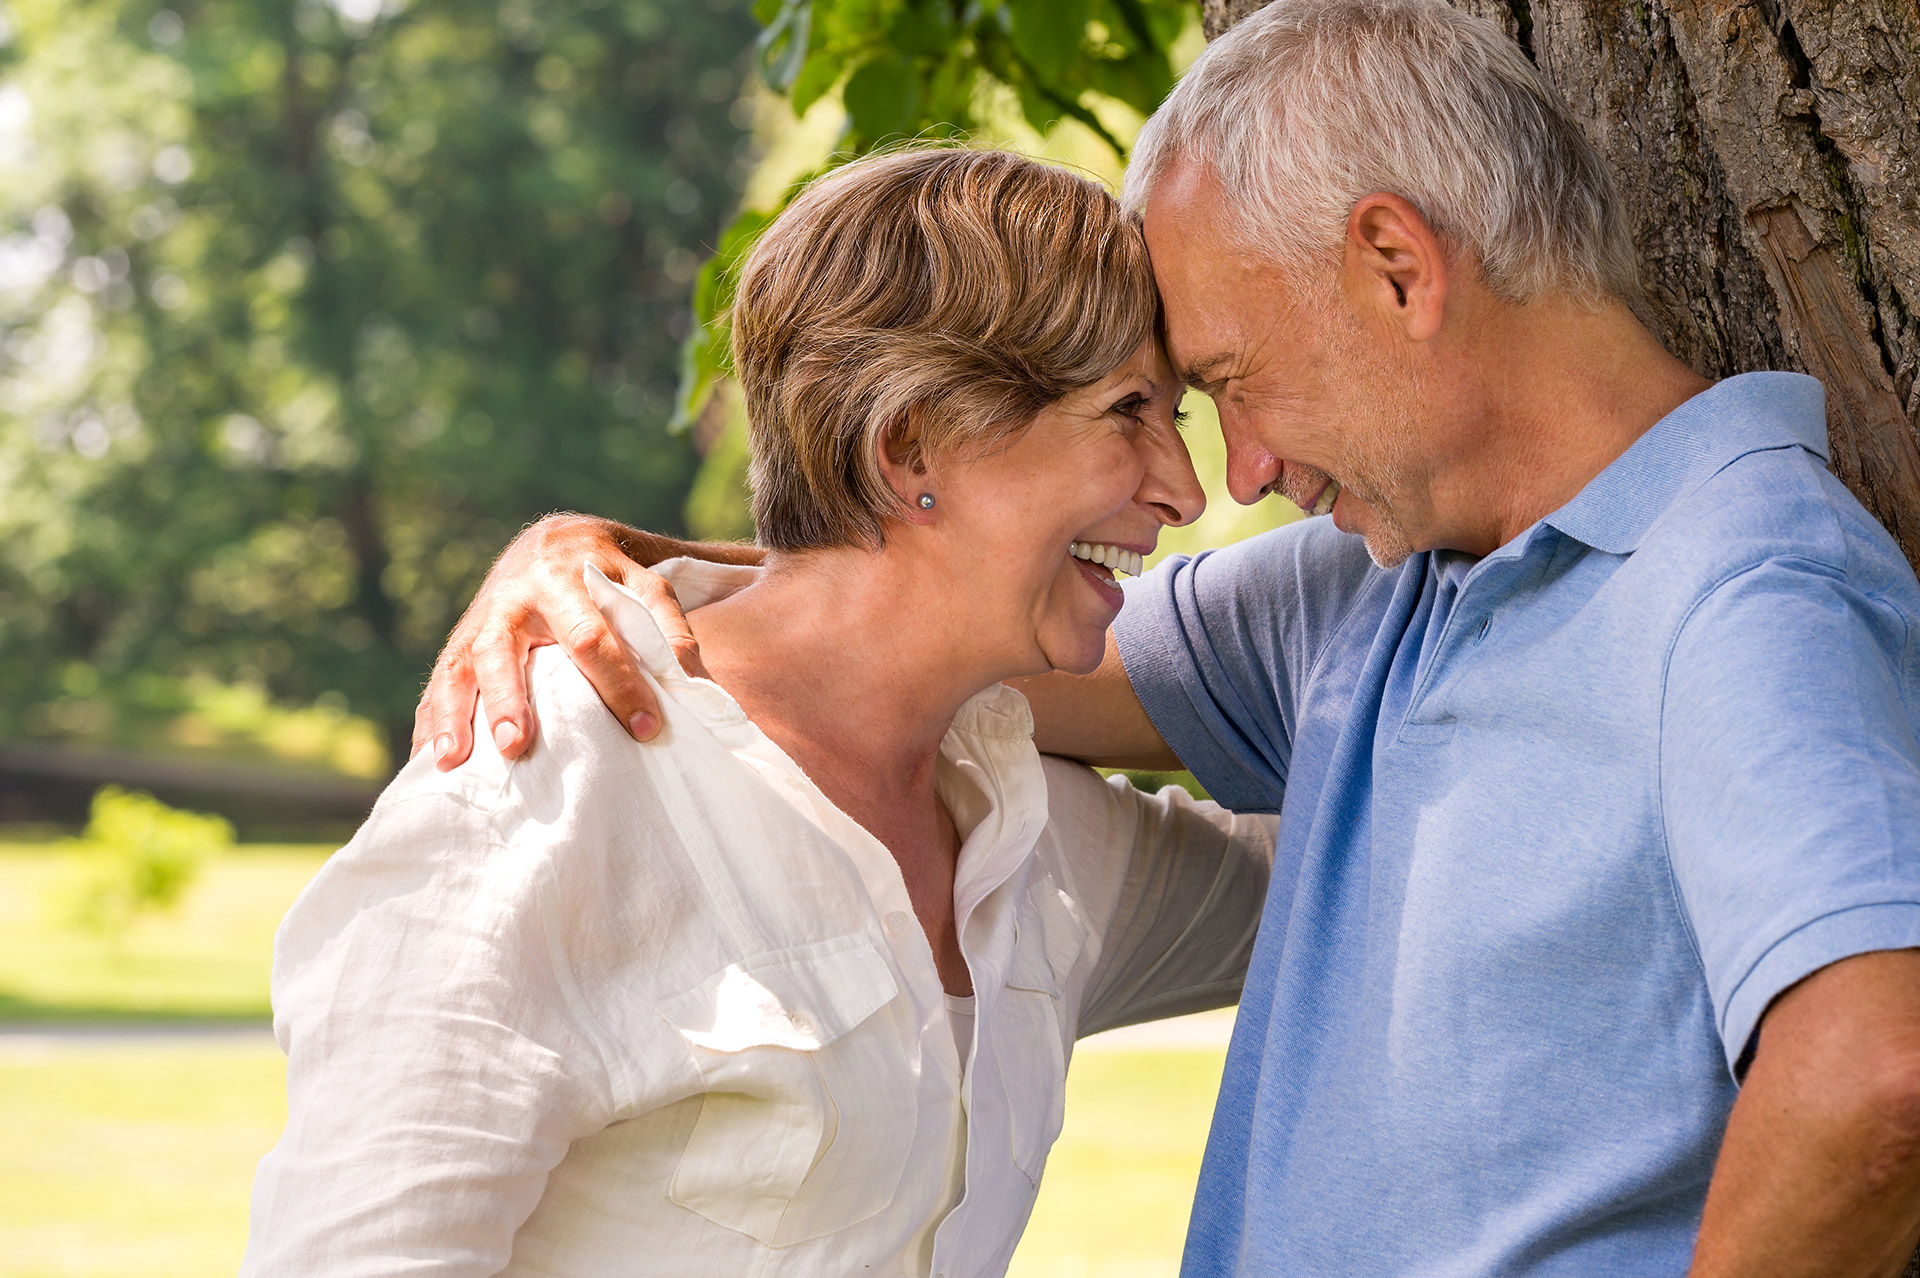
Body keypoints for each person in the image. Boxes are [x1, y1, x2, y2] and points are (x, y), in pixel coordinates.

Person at [416, 0, 1920, 1273]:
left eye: (1233, 379)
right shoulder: (1374, 586)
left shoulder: (1743, 582)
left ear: (1397, 266)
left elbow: (1879, 1074)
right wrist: (616, 561)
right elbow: (924, 607)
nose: (1240, 472)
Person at [242, 147, 1277, 1278]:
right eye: (1129, 410)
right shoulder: (539, 789)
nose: (1186, 489)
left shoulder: (1027, 829)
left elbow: (1353, 870)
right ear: (910, 445)